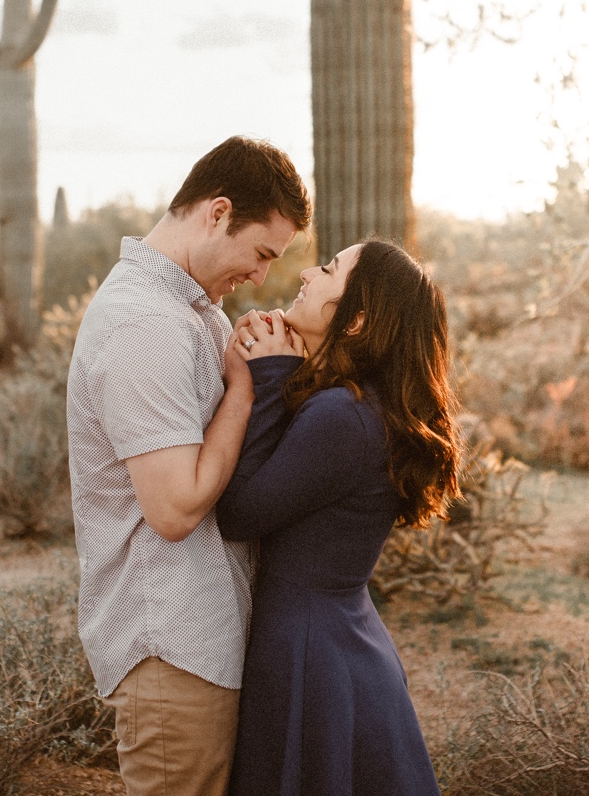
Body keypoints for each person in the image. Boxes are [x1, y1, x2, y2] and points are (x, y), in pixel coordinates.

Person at [67, 136, 310, 796]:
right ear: (216, 212)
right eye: (261, 253)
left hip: (199, 636)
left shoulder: (188, 310)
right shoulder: (144, 324)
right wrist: (242, 390)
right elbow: (173, 509)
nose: (262, 276)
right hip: (171, 644)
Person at [216, 240, 462, 796]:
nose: (306, 271)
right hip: (339, 640)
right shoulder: (358, 404)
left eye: (328, 270)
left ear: (357, 320)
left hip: (308, 652)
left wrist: (271, 380)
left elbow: (238, 512)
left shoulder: (344, 415)